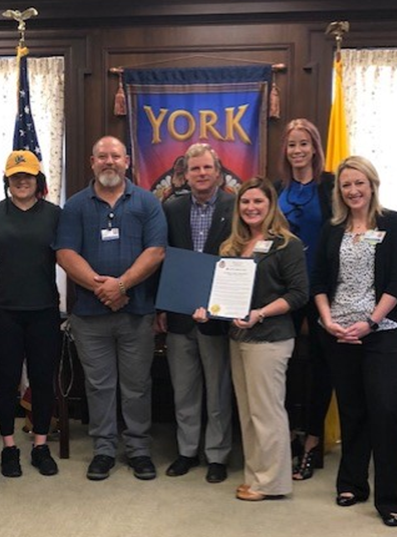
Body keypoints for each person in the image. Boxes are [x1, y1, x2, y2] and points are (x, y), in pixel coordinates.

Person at [55, 135, 167, 481]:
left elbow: (156, 251)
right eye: (101, 156)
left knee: (136, 385)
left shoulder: (147, 202)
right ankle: (103, 449)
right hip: (89, 316)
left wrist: (122, 286)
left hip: (136, 312)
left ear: (127, 161)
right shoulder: (75, 205)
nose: (109, 162)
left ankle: (138, 449)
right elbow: (65, 253)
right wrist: (100, 287)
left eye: (115, 156)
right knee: (99, 385)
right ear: (92, 162)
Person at [312, 156, 397, 527]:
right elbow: (319, 281)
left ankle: (392, 498)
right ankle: (353, 483)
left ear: (372, 184)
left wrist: (370, 322)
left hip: (383, 332)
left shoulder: (393, 223)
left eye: (359, 183)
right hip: (338, 334)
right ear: (339, 191)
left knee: (385, 410)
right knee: (352, 410)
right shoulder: (332, 228)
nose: (353, 190)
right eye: (345, 185)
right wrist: (327, 321)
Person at [196, 176, 308, 501]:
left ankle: (272, 483)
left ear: (271, 205)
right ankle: (256, 476)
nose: (251, 207)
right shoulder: (231, 246)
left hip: (270, 338)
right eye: (245, 202)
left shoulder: (287, 244)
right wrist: (208, 310)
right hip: (238, 337)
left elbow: (299, 293)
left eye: (258, 201)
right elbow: (223, 296)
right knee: (247, 412)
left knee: (267, 413)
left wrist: (261, 312)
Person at [155, 143, 233, 483]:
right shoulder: (171, 208)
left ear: (218, 172)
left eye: (207, 168)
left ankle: (217, 455)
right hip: (179, 313)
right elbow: (161, 258)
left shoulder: (235, 206)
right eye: (194, 169)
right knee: (183, 388)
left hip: (218, 316)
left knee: (217, 389)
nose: (201, 174)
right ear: (184, 175)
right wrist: (161, 306)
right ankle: (187, 451)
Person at [0, 150, 61, 478]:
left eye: (27, 175)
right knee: (5, 380)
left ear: (38, 179)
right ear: (7, 180)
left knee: (43, 380)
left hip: (44, 309)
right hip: (4, 310)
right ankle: (9, 447)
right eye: (15, 176)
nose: (22, 181)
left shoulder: (55, 215)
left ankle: (40, 445)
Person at [276, 118, 335, 480]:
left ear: (315, 148)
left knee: (320, 366)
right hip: (283, 291)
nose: (297, 151)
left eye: (303, 144)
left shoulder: (331, 186)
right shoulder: (275, 188)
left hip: (321, 290)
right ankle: (286, 437)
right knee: (280, 365)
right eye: (291, 144)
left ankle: (312, 441)